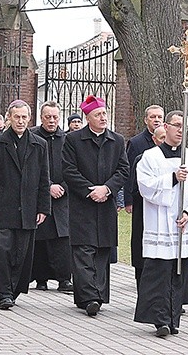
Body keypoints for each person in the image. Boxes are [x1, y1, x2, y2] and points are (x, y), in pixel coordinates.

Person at [133, 110, 188, 337]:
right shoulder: (150, 156)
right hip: (159, 223)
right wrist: (172, 178)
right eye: (176, 125)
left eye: (183, 126)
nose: (179, 130)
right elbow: (145, 186)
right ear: (165, 127)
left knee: (178, 274)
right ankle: (160, 320)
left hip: (181, 224)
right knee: (158, 274)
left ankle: (174, 318)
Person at [0, 99, 51, 310]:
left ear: (30, 118)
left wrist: (43, 208)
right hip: (3, 207)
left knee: (22, 252)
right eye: (16, 117)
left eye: (24, 117)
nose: (20, 121)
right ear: (9, 117)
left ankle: (15, 288)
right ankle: (3, 293)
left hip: (28, 208)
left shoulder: (39, 144)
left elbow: (43, 180)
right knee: (2, 251)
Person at [62, 95, 129, 317]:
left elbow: (123, 170)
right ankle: (90, 297)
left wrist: (107, 189)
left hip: (106, 205)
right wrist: (90, 190)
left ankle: (96, 295)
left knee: (101, 251)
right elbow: (69, 171)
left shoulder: (117, 140)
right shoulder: (73, 140)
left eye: (104, 114)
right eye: (98, 114)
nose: (103, 118)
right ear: (88, 117)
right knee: (83, 251)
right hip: (83, 204)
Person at [30, 101, 73, 292]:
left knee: (63, 239)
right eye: (48, 117)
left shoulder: (68, 139)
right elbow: (29, 168)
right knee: (41, 240)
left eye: (55, 117)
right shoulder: (32, 137)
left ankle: (64, 278)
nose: (52, 120)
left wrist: (62, 186)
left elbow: (73, 167)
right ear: (41, 117)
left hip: (64, 196)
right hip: (40, 195)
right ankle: (41, 278)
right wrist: (47, 187)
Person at [123, 104, 164, 286]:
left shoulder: (168, 141)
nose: (156, 120)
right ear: (146, 120)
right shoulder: (137, 143)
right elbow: (129, 173)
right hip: (141, 200)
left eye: (159, 117)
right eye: (153, 117)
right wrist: (129, 200)